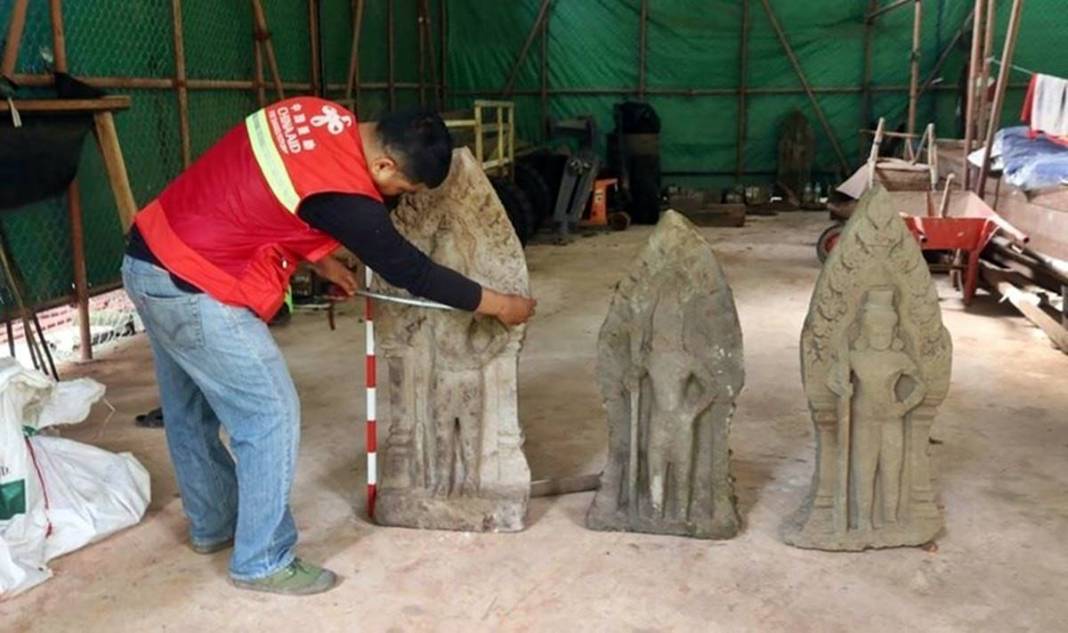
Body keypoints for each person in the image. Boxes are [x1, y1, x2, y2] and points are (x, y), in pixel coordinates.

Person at [121, 97, 536, 595]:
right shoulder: (350, 199)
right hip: (197, 285)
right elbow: (411, 270)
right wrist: (498, 305)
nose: (399, 198)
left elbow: (270, 189)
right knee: (269, 415)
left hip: (149, 256)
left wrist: (319, 260)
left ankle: (215, 525)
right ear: (384, 164)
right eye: (403, 187)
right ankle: (262, 560)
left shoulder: (319, 114)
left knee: (189, 412)